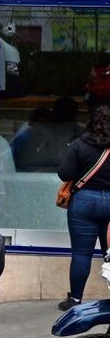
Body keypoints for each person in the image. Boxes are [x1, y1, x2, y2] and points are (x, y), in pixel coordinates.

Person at [57, 103, 110, 310]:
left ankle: (75, 299)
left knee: (81, 253)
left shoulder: (80, 144)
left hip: (84, 202)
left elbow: (65, 173)